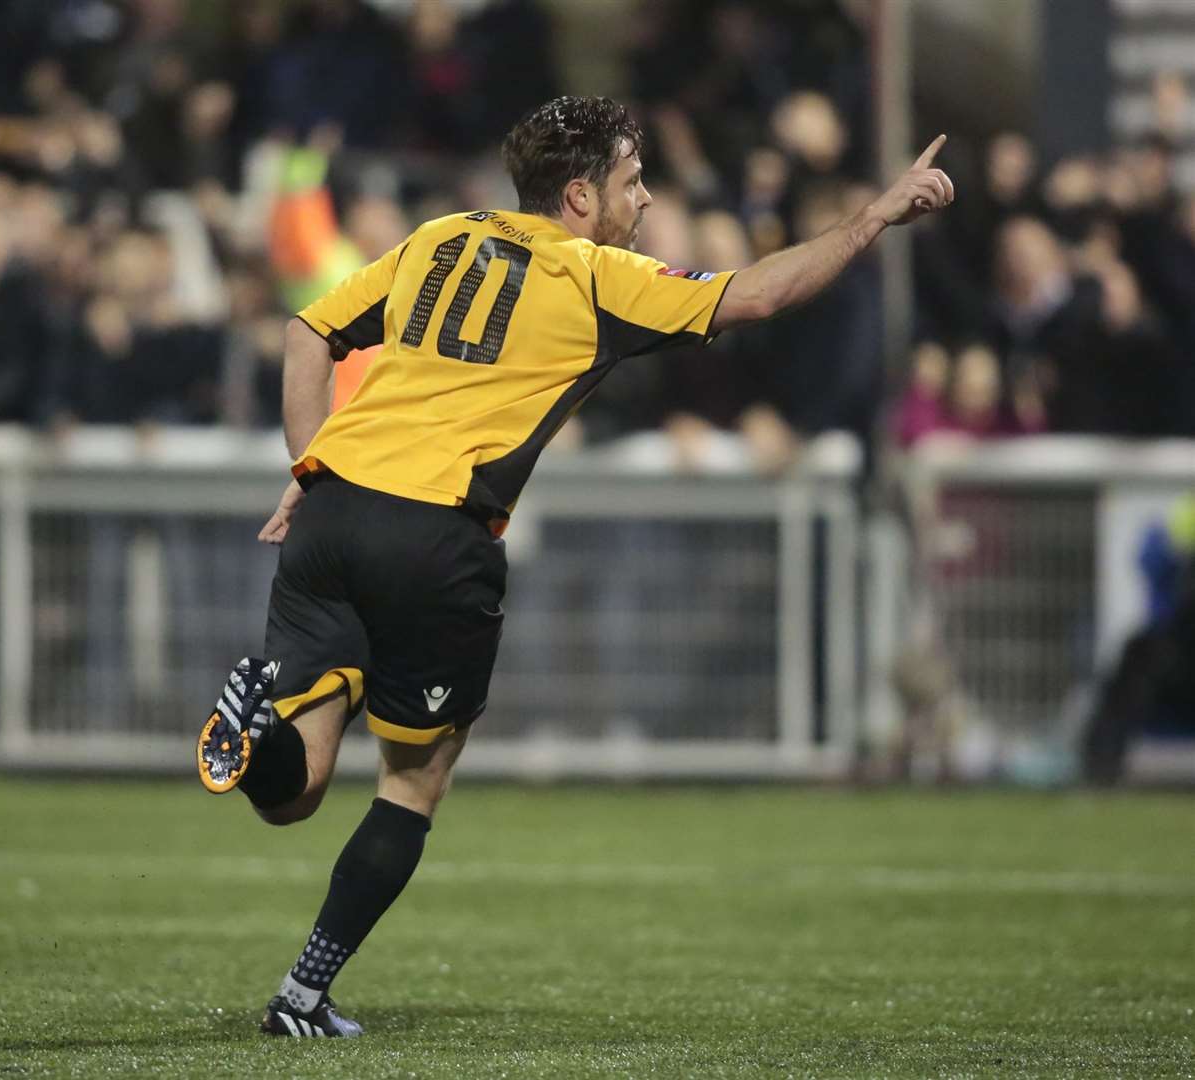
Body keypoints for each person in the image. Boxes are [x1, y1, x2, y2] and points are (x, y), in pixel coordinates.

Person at [195, 95, 954, 1039]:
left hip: (334, 508)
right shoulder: (598, 275)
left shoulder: (441, 236)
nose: (645, 201)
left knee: (293, 790)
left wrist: (307, 469)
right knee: (413, 780)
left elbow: (309, 330)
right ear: (582, 195)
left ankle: (253, 729)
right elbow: (755, 295)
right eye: (634, 184)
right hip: (435, 533)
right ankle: (302, 994)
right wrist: (874, 217)